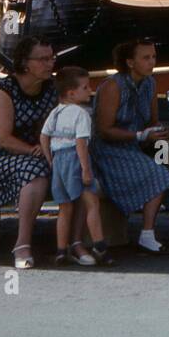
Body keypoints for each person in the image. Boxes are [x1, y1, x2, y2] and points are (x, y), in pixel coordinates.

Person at [91, 39, 169, 253]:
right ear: (130, 62)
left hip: (140, 143)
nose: (152, 62)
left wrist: (165, 132)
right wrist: (141, 136)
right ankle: (147, 234)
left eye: (154, 57)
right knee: (158, 174)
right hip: (111, 149)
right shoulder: (113, 86)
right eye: (146, 58)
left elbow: (152, 121)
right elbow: (104, 130)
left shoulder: (150, 83)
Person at [0, 35, 57, 270]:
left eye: (51, 58)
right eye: (43, 59)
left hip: (42, 150)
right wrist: (35, 151)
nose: (50, 63)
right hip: (5, 154)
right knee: (35, 170)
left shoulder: (52, 89)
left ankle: (76, 241)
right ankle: (22, 243)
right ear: (25, 63)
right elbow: (2, 138)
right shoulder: (5, 91)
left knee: (76, 165)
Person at [40, 67, 113, 267]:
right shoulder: (81, 115)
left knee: (64, 208)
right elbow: (81, 143)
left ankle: (61, 250)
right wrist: (86, 169)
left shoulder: (55, 113)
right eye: (85, 87)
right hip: (75, 159)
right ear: (71, 93)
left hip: (58, 162)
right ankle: (100, 246)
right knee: (92, 203)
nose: (90, 90)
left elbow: (44, 137)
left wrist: (50, 159)